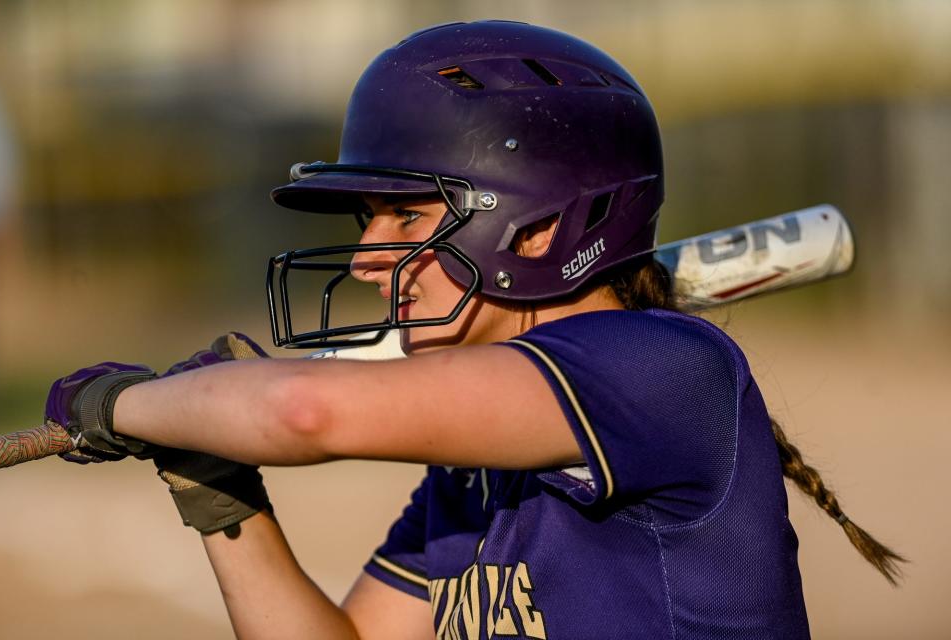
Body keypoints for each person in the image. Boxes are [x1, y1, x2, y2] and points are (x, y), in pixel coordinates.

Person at [44, 21, 902, 640]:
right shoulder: (476, 469)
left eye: (404, 218)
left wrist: (127, 403)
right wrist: (220, 489)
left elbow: (304, 412)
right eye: (367, 222)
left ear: (536, 232)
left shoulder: (660, 368)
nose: (366, 261)